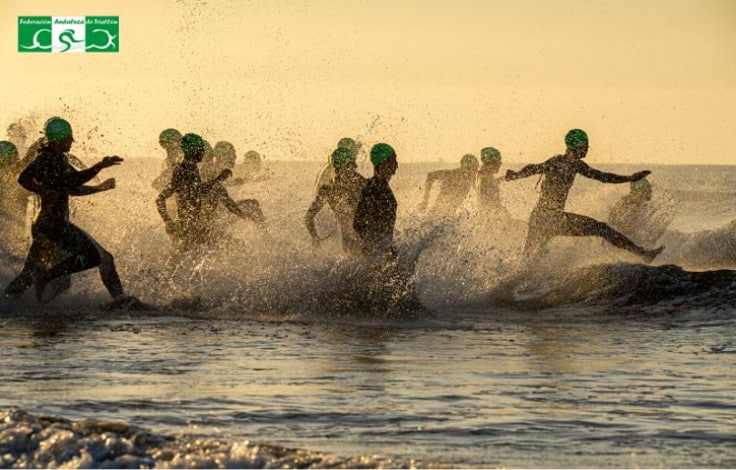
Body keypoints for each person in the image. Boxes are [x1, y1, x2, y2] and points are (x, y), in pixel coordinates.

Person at [3, 117, 133, 304]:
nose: (71, 142)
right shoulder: (49, 159)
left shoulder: (55, 158)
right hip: (54, 225)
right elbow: (27, 178)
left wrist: (99, 187)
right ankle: (119, 301)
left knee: (30, 274)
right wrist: (99, 166)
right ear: (58, 140)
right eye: (68, 139)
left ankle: (7, 305)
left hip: (45, 225)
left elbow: (71, 185)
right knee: (95, 256)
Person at [504, 129, 664, 262]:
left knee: (528, 262)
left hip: (539, 218)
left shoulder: (565, 162)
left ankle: (507, 295)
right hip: (552, 219)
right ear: (577, 146)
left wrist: (516, 175)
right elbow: (602, 177)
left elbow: (535, 168)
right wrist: (629, 178)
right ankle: (642, 254)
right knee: (602, 229)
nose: (588, 148)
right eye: (585, 145)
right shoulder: (566, 162)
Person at [155, 133, 232, 251]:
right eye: (201, 149)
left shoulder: (191, 168)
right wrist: (168, 221)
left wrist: (219, 179)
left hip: (194, 226)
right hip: (189, 228)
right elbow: (160, 199)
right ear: (193, 151)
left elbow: (199, 191)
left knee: (184, 257)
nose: (203, 152)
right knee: (233, 245)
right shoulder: (183, 170)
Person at [198, 140, 266, 244]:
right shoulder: (211, 171)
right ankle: (267, 238)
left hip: (216, 216)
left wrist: (244, 180)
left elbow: (228, 183)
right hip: (213, 219)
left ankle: (266, 238)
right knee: (253, 205)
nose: (235, 157)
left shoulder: (214, 170)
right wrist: (241, 214)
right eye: (233, 153)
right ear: (224, 156)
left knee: (252, 206)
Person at [305, 147, 367, 256]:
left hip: (368, 236)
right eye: (352, 164)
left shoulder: (361, 182)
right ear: (342, 167)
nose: (356, 167)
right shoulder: (328, 189)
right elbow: (309, 216)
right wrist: (315, 237)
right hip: (351, 242)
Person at [354, 143, 399, 258]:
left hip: (379, 253)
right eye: (393, 160)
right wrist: (377, 248)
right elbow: (358, 223)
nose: (397, 165)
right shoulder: (376, 188)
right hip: (377, 256)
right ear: (384, 164)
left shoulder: (376, 186)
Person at [608, 177, 673, 247]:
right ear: (639, 191)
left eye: (649, 190)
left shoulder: (641, 204)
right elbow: (615, 219)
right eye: (647, 190)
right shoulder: (628, 202)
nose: (650, 193)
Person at [419, 153, 479, 218]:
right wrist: (425, 199)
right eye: (474, 169)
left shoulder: (470, 178)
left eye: (476, 169)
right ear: (466, 168)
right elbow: (430, 175)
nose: (476, 172)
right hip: (437, 213)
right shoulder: (451, 174)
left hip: (450, 214)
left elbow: (479, 191)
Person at [476, 146, 510, 219]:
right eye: (498, 161)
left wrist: (504, 178)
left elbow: (491, 185)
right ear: (491, 163)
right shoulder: (486, 179)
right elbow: (491, 203)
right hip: (490, 220)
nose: (500, 163)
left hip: (485, 218)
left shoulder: (483, 175)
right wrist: (504, 212)